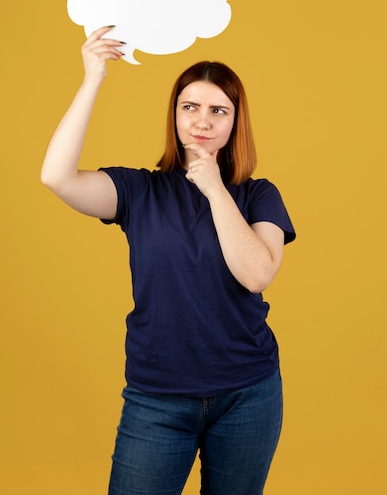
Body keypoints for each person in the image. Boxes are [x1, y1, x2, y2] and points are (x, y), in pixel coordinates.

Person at [41, 26, 296, 495]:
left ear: (235, 121)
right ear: (175, 116)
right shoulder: (140, 191)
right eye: (189, 107)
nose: (202, 120)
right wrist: (92, 77)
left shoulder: (259, 196)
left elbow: (257, 274)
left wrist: (215, 188)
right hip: (156, 397)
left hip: (248, 394)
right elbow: (56, 176)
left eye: (218, 110)